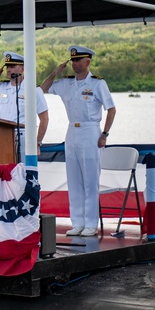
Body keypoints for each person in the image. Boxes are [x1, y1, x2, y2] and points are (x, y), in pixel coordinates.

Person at [40, 46, 117, 238]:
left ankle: (91, 224)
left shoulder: (98, 84)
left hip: (91, 130)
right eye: (72, 61)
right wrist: (56, 71)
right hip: (71, 132)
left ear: (87, 62)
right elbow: (43, 89)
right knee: (74, 180)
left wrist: (105, 134)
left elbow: (112, 109)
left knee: (90, 181)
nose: (74, 63)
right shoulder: (66, 83)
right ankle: (78, 223)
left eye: (78, 60)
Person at [0, 51, 48, 155]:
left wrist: (38, 142)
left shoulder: (33, 89)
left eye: (12, 66)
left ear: (22, 69)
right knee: (6, 168)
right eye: (7, 67)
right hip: (5, 136)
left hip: (25, 137)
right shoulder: (1, 88)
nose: (8, 69)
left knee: (25, 170)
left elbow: (44, 118)